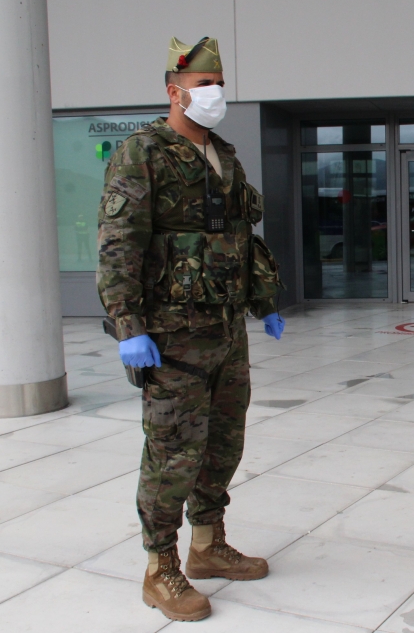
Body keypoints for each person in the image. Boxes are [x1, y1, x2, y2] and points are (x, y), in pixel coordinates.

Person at [96, 36, 285, 622]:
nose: (215, 95)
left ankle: (208, 546)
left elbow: (240, 239)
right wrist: (129, 324)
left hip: (226, 329)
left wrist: (264, 298)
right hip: (171, 335)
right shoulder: (143, 152)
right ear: (174, 90)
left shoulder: (224, 154)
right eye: (205, 86)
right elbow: (119, 244)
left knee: (224, 442)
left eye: (220, 86)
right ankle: (161, 567)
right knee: (173, 451)